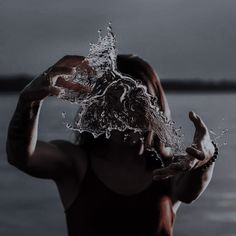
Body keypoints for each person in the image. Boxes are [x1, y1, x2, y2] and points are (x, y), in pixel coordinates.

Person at [6, 54, 218, 236]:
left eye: (136, 101)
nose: (124, 113)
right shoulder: (75, 164)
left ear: (156, 110)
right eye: (112, 100)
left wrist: (206, 156)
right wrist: (28, 103)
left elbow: (189, 193)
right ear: (96, 108)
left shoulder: (169, 167)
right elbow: (22, 157)